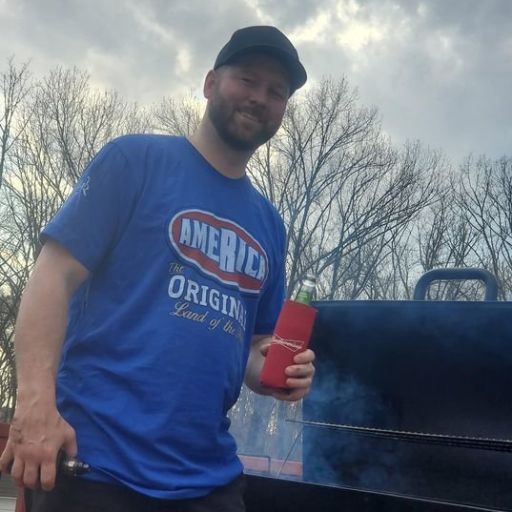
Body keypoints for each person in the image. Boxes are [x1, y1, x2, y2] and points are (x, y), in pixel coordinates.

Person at [0, 25, 315, 512]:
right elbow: (51, 277)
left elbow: (254, 346)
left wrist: (281, 369)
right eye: (248, 80)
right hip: (96, 467)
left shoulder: (269, 224)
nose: (260, 98)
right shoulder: (135, 161)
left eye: (277, 92)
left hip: (209, 483)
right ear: (210, 83)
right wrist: (35, 404)